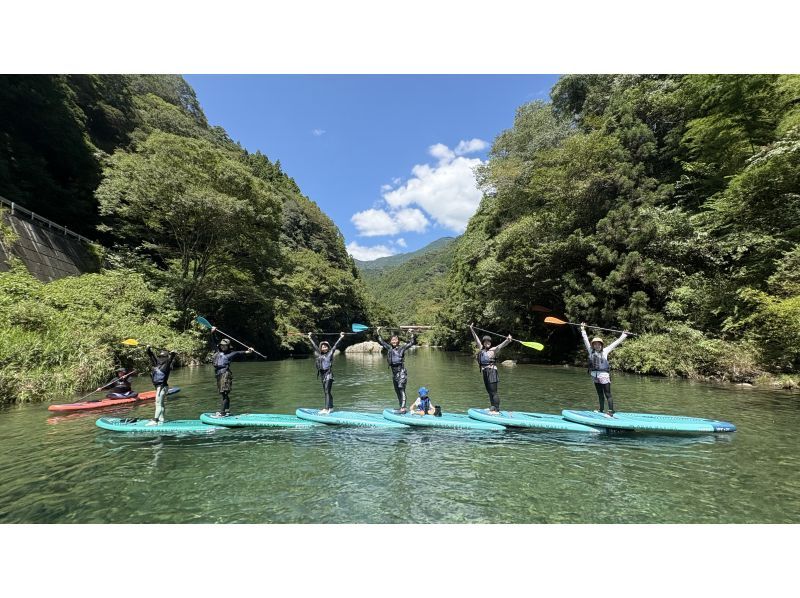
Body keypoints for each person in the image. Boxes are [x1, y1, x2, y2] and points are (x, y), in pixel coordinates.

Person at [580, 322, 629, 416]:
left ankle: (611, 411)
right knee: (600, 394)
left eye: (599, 344)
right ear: (593, 345)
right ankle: (601, 409)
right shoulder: (590, 351)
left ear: (601, 345)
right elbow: (585, 340)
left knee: (608, 394)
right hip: (595, 376)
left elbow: (615, 343)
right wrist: (583, 330)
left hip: (604, 376)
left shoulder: (606, 351)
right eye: (595, 344)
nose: (597, 346)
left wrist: (623, 335)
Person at [210, 326, 254, 417]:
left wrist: (248, 351)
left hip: (225, 374)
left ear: (228, 346)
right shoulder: (217, 351)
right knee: (223, 394)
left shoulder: (231, 354)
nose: (223, 346)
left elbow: (239, 353)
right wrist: (213, 332)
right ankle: (227, 411)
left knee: (224, 393)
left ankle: (222, 413)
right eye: (222, 345)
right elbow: (214, 341)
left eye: (225, 345)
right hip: (218, 374)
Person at [470, 323, 513, 414]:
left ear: (490, 343)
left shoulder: (493, 350)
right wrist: (472, 329)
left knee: (494, 392)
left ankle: (497, 409)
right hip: (485, 372)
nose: (487, 343)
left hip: (492, 371)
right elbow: (476, 338)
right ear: (483, 343)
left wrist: (508, 340)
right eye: (485, 342)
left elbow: (501, 345)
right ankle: (492, 407)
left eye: (489, 342)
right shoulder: (481, 349)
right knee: (489, 391)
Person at [376, 327, 416, 413]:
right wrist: (378, 332)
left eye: (395, 340)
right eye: (392, 340)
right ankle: (401, 406)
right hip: (394, 374)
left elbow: (412, 343)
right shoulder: (389, 348)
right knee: (397, 391)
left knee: (401, 389)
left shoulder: (402, 348)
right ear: (390, 341)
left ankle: (403, 408)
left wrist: (412, 334)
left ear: (398, 341)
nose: (394, 341)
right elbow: (381, 341)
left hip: (401, 372)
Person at [308, 331, 345, 415]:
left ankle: (326, 409)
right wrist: (310, 338)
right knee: (327, 391)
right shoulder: (319, 354)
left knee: (327, 391)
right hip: (322, 375)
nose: (324, 348)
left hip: (328, 375)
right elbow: (314, 346)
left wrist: (341, 337)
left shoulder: (330, 353)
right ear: (320, 348)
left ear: (328, 348)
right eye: (322, 347)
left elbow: (335, 346)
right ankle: (331, 407)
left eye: (325, 347)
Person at [145, 346, 177, 425]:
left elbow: (170, 359)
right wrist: (148, 349)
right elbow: (151, 355)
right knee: (161, 404)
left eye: (162, 357)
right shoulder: (157, 364)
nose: (160, 358)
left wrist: (172, 354)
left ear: (166, 357)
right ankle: (161, 418)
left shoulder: (166, 365)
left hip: (162, 387)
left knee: (158, 404)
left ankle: (155, 420)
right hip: (161, 387)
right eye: (160, 356)